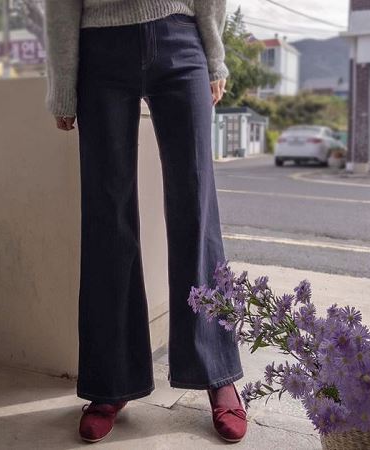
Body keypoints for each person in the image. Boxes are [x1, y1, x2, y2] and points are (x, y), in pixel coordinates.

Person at [43, 0, 247, 444]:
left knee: (197, 208)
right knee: (107, 218)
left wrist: (214, 55)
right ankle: (110, 382)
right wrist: (62, 84)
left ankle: (218, 370)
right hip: (100, 46)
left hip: (179, 36)